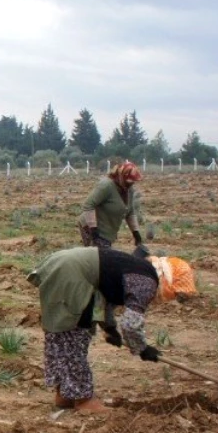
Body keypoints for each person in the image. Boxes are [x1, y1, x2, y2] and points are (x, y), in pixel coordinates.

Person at [27, 246, 195, 413]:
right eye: (175, 292)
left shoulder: (139, 269)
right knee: (74, 336)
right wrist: (142, 349)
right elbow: (130, 324)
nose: (173, 297)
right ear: (170, 279)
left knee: (62, 335)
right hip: (71, 273)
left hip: (64, 265)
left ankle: (65, 395)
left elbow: (105, 296)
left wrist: (109, 328)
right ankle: (84, 400)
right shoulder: (146, 282)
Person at [79, 161, 142, 249]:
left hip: (108, 231)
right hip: (92, 228)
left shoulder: (129, 190)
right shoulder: (106, 186)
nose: (131, 184)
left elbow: (130, 212)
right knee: (99, 258)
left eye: (132, 182)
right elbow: (88, 205)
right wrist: (94, 232)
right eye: (128, 182)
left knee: (105, 256)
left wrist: (136, 233)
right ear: (121, 176)